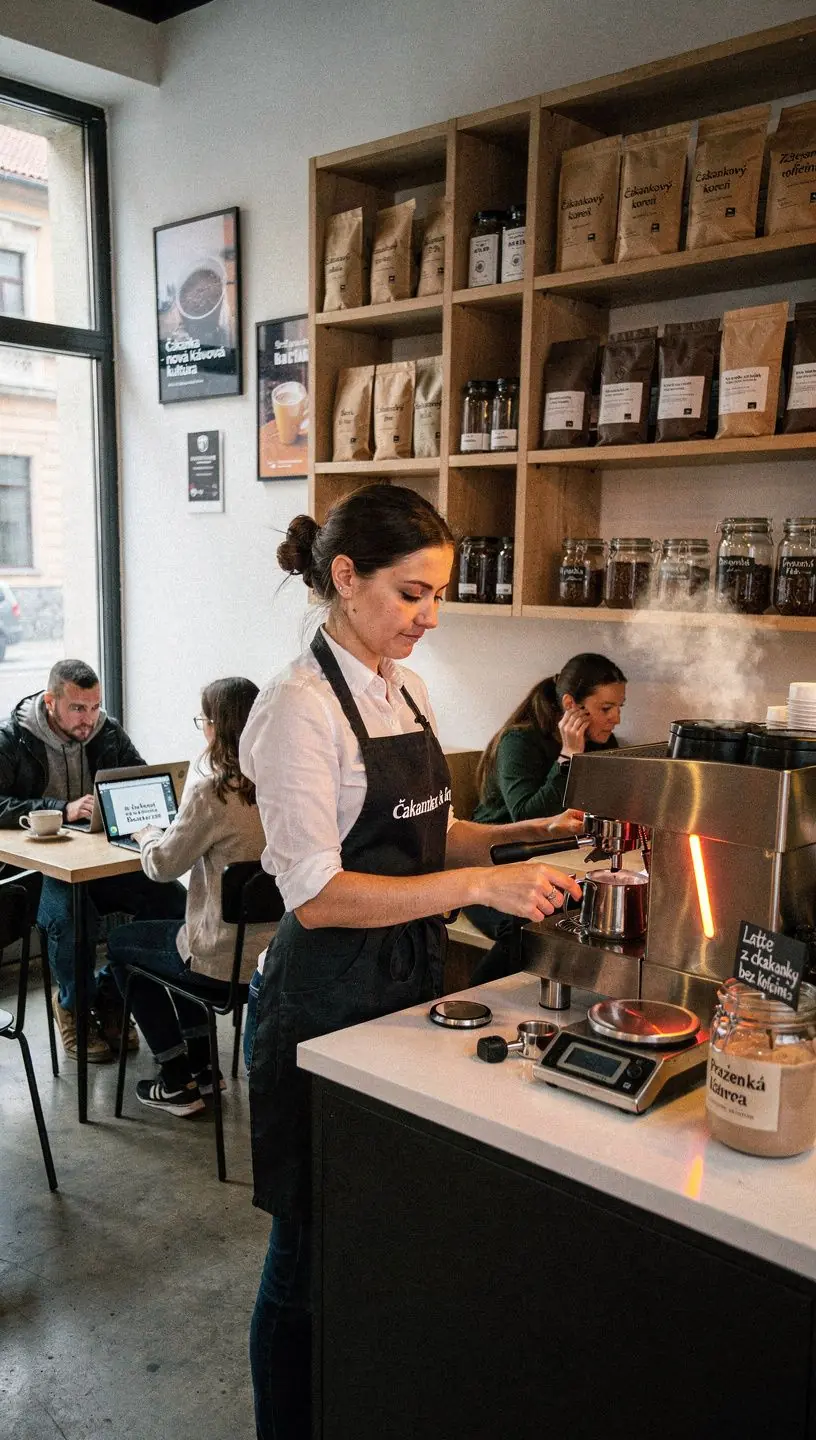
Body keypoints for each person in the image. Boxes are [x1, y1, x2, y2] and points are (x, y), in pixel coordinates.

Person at [239, 484, 583, 1440]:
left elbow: (434, 833)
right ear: (344, 580)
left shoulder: (405, 688)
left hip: (403, 983)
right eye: (411, 593)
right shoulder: (296, 708)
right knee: (304, 1252)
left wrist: (526, 834)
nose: (430, 617)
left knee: (378, 1221)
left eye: (441, 594)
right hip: (321, 998)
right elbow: (319, 893)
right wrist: (479, 891)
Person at [0, 659, 186, 1062]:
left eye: (95, 706)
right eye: (78, 709)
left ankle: (109, 992)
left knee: (174, 902)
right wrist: (59, 809)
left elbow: (139, 781)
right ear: (51, 702)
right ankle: (73, 1005)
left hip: (97, 862)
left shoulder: (108, 731)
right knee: (71, 917)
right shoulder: (12, 738)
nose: (90, 719)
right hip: (37, 869)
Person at [108, 677, 272, 1116]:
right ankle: (205, 1069)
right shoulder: (287, 785)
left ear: (217, 727)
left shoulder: (212, 792)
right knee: (176, 941)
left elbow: (162, 867)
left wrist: (146, 835)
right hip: (270, 964)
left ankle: (176, 1078)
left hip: (218, 963)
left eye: (205, 720)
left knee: (123, 949)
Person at [465, 653, 627, 982]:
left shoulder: (603, 745)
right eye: (606, 708)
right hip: (490, 862)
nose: (616, 719)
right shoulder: (519, 741)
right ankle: (470, 998)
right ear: (571, 705)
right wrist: (569, 755)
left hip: (554, 862)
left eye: (620, 707)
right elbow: (528, 814)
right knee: (528, 923)